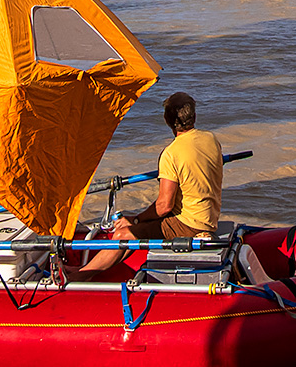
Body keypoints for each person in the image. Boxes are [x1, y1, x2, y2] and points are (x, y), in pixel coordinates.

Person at [78, 91, 221, 278]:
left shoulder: (171, 154)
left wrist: (135, 219)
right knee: (136, 229)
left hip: (189, 224)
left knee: (122, 234)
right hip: (209, 216)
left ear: (167, 121)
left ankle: (78, 277)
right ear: (194, 116)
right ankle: (95, 271)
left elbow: (164, 206)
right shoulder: (211, 139)